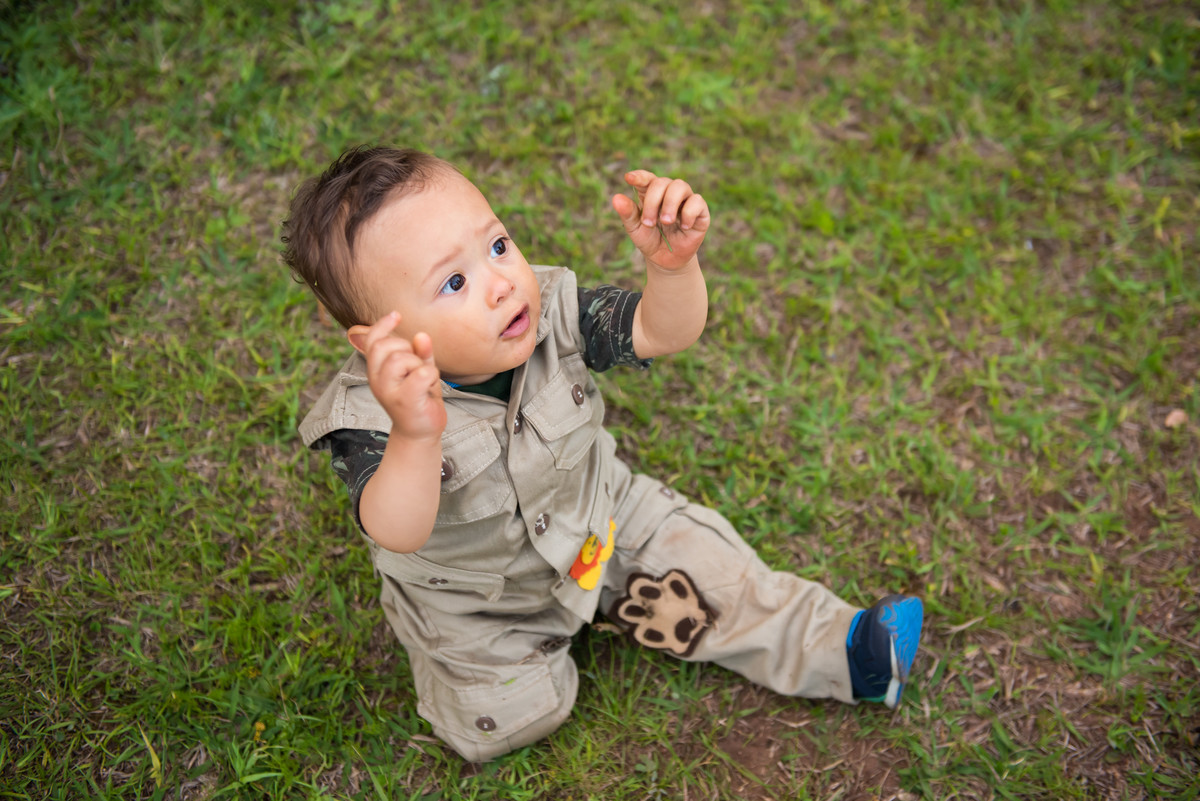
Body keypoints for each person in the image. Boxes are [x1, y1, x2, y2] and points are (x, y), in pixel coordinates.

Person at [282, 146, 924, 762]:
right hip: (478, 607)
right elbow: (397, 528)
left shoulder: (554, 312)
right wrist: (415, 434)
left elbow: (658, 330)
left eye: (498, 246)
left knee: (715, 572)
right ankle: (520, 666)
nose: (503, 284)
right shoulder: (367, 418)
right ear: (375, 342)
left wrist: (671, 271)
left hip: (599, 518)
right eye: (453, 281)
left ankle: (849, 653)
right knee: (520, 718)